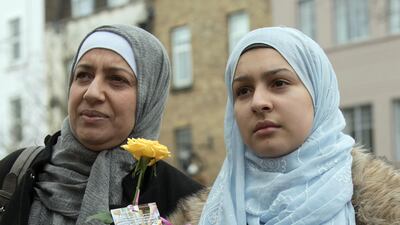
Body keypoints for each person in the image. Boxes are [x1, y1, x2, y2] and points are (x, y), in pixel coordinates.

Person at [168, 27, 400, 225]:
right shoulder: (207, 215)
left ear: (318, 93)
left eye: (279, 83)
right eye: (243, 91)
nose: (258, 102)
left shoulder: (385, 207)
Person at [0, 24, 203, 225]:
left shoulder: (186, 205)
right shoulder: (13, 173)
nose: (92, 93)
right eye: (83, 75)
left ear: (149, 97)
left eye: (117, 79)